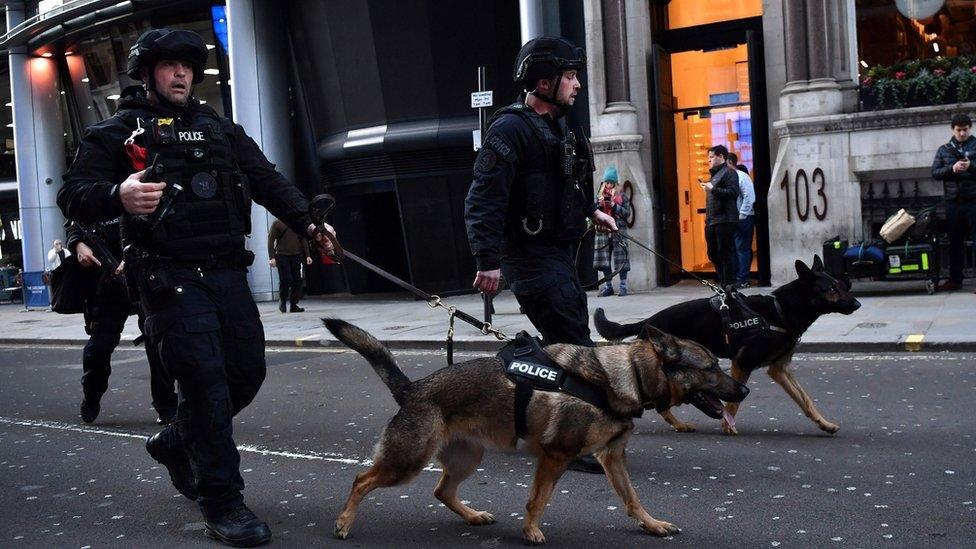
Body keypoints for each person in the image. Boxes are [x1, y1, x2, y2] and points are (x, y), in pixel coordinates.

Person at [57, 28, 335, 547]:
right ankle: (222, 503)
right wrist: (117, 194)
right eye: (169, 66)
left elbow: (267, 179)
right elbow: (73, 195)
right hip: (168, 278)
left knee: (246, 372)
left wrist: (307, 220)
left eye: (188, 66)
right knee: (205, 383)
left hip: (227, 272)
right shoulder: (119, 132)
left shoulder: (220, 129)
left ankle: (176, 440)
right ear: (146, 73)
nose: (181, 74)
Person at [464, 36, 617, 474]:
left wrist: (592, 211)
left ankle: (545, 420)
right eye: (570, 77)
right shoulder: (509, 129)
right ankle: (572, 439)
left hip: (559, 249)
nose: (577, 85)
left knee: (566, 338)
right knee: (573, 341)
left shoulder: (562, 127)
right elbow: (483, 200)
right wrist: (486, 260)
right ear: (545, 82)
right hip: (528, 255)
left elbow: (565, 183)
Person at [66, 219, 177, 425]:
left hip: (144, 279)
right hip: (107, 285)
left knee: (158, 345)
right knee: (99, 348)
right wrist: (78, 245)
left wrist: (133, 256)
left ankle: (167, 405)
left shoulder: (143, 188)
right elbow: (75, 224)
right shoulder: (96, 191)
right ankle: (92, 395)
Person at [931, 113, 976, 292]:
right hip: (953, 202)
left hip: (974, 200)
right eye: (959, 130)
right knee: (954, 242)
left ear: (969, 128)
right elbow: (935, 172)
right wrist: (953, 168)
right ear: (953, 129)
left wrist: (971, 166)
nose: (962, 134)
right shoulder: (944, 149)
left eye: (965, 130)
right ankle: (955, 280)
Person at [701, 145, 740, 287]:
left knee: (724, 253)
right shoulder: (714, 175)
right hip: (712, 221)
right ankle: (723, 281)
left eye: (711, 157)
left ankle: (728, 285)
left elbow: (733, 193)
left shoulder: (729, 173)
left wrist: (713, 189)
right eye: (708, 157)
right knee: (712, 254)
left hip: (725, 220)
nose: (709, 160)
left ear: (721, 157)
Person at [593, 166, 631, 296]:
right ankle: (608, 286)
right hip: (603, 233)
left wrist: (615, 206)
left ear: (615, 183)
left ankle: (623, 286)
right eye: (607, 182)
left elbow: (627, 213)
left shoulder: (621, 196)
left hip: (618, 231)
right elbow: (593, 213)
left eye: (611, 183)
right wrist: (599, 205)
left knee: (622, 260)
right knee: (604, 261)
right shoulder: (599, 196)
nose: (608, 185)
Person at [268, 218, 311, 313]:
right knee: (286, 280)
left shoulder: (297, 223)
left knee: (298, 280)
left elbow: (303, 239)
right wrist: (272, 257)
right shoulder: (277, 223)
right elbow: (271, 240)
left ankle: (293, 304)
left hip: (297, 255)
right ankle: (283, 300)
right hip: (282, 256)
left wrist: (308, 255)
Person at [728, 152, 755, 289]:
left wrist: (742, 214)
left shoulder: (741, 177)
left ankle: (742, 279)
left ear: (729, 162)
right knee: (735, 248)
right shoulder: (730, 177)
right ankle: (737, 277)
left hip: (743, 218)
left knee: (742, 248)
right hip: (733, 218)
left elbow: (749, 197)